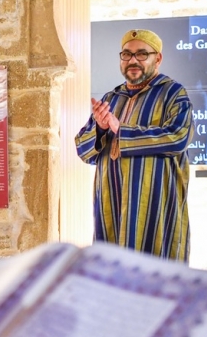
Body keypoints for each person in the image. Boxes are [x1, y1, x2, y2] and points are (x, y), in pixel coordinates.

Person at [75, 29, 194, 262]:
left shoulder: (172, 93)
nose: (133, 61)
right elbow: (83, 150)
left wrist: (122, 131)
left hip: (154, 204)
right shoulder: (111, 98)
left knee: (155, 269)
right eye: (127, 55)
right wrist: (101, 128)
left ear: (157, 59)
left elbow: (179, 137)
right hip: (111, 202)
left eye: (142, 54)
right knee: (112, 270)